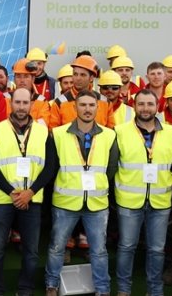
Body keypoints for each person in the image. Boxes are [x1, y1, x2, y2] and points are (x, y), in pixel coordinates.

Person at [0, 88, 57, 296]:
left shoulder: (44, 132)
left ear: (31, 104)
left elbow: (50, 167)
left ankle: (25, 289)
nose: (21, 107)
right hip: (3, 198)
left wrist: (30, 192)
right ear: (11, 103)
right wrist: (13, 192)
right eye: (18, 102)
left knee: (31, 251)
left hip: (32, 199)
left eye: (26, 103)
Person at [45, 90, 119, 296]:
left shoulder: (110, 135)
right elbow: (52, 167)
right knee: (57, 247)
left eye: (91, 105)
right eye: (83, 105)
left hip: (97, 203)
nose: (87, 109)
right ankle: (51, 285)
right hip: (65, 202)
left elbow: (111, 168)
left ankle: (103, 290)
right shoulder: (58, 134)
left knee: (99, 251)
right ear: (75, 107)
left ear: (98, 107)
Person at [114, 90, 172, 296]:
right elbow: (112, 165)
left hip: (160, 202)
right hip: (129, 201)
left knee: (156, 250)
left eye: (150, 104)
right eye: (141, 104)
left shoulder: (171, 132)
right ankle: (124, 290)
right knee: (126, 247)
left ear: (158, 106)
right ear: (134, 106)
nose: (145, 108)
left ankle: (154, 291)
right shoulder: (120, 131)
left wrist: (166, 182)